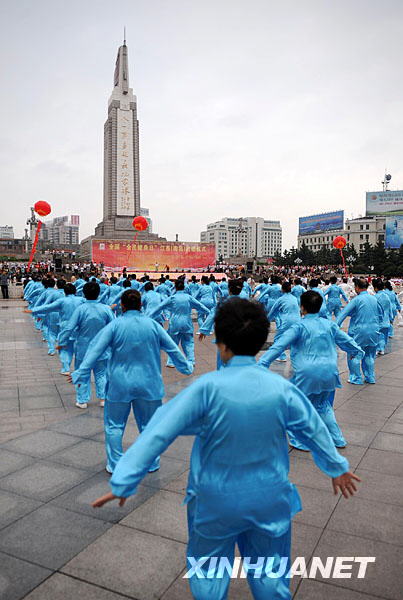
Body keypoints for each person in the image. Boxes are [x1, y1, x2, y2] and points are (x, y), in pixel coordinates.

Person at [92, 299, 360, 600]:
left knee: (209, 574)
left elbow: (158, 431)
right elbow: (313, 430)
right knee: (270, 576)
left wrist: (125, 479)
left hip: (213, 501)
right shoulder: (282, 389)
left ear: (220, 344)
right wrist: (337, 467)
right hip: (269, 499)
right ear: (261, 340)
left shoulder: (206, 388)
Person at [71, 289, 193, 473]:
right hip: (149, 383)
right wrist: (185, 367)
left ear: (122, 305)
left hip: (120, 384)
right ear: (141, 305)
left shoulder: (115, 326)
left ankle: (115, 464)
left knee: (114, 425)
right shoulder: (153, 325)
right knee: (149, 426)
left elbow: (95, 350)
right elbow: (173, 348)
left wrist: (81, 372)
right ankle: (150, 462)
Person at [259, 290, 364, 450]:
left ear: (302, 307)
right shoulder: (329, 325)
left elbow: (279, 345)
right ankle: (337, 439)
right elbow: (347, 341)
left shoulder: (299, 327)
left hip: (306, 373)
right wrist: (356, 351)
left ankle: (300, 440)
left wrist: (263, 363)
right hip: (329, 371)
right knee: (323, 406)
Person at [58, 282, 114, 408]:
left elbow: (69, 328)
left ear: (83, 293)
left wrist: (62, 342)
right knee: (101, 374)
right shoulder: (106, 309)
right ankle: (103, 398)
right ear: (99, 293)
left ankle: (82, 400)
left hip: (83, 349)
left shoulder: (81, 309)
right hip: (102, 349)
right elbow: (114, 327)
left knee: (83, 373)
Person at [24, 283, 84, 374]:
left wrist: (33, 310)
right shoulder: (81, 300)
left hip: (65, 326)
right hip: (78, 327)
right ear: (75, 291)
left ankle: (66, 367)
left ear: (65, 292)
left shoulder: (62, 300)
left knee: (64, 347)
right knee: (77, 348)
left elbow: (47, 306)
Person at [148, 279, 210, 366]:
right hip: (187, 323)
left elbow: (159, 307)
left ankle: (171, 362)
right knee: (188, 342)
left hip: (175, 323)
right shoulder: (189, 298)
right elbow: (200, 306)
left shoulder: (172, 298)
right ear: (184, 287)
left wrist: (149, 317)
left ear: (175, 287)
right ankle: (191, 360)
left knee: (173, 343)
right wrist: (209, 313)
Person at [336, 278, 382, 385]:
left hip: (359, 331)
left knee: (355, 353)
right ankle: (370, 377)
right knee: (370, 355)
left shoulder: (356, 300)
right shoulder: (374, 299)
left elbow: (342, 314)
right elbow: (380, 314)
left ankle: (356, 378)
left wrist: (334, 328)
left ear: (357, 287)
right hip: (374, 330)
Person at [268, 281, 300, 362]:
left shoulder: (281, 299)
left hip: (287, 321)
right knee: (294, 338)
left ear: (282, 289)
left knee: (278, 338)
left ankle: (282, 356)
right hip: (298, 320)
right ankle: (296, 357)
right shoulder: (294, 298)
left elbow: (272, 311)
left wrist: (266, 321)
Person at [372, 278, 393, 355]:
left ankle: (378, 349)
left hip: (378, 320)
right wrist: (391, 317)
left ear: (376, 288)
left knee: (378, 335)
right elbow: (389, 308)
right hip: (386, 320)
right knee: (384, 336)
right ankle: (382, 348)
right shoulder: (386, 296)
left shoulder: (375, 297)